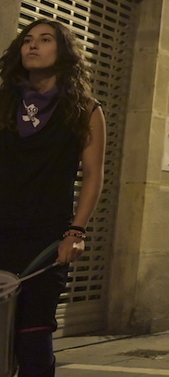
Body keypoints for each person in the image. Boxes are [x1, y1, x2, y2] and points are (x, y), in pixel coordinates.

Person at [0, 19, 106, 377]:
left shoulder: (86, 110)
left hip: (46, 240)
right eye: (28, 39)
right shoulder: (3, 102)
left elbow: (93, 175)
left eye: (45, 40)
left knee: (33, 337)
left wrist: (76, 232)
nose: (33, 45)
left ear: (63, 52)